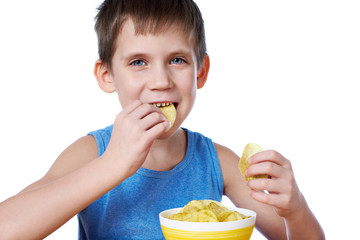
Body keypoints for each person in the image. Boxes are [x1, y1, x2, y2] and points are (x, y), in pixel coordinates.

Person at [0, 0, 325, 239]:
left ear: (201, 71)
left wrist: (294, 207)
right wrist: (113, 165)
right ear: (106, 75)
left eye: (177, 60)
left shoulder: (217, 162)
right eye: (139, 61)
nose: (160, 80)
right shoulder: (92, 153)